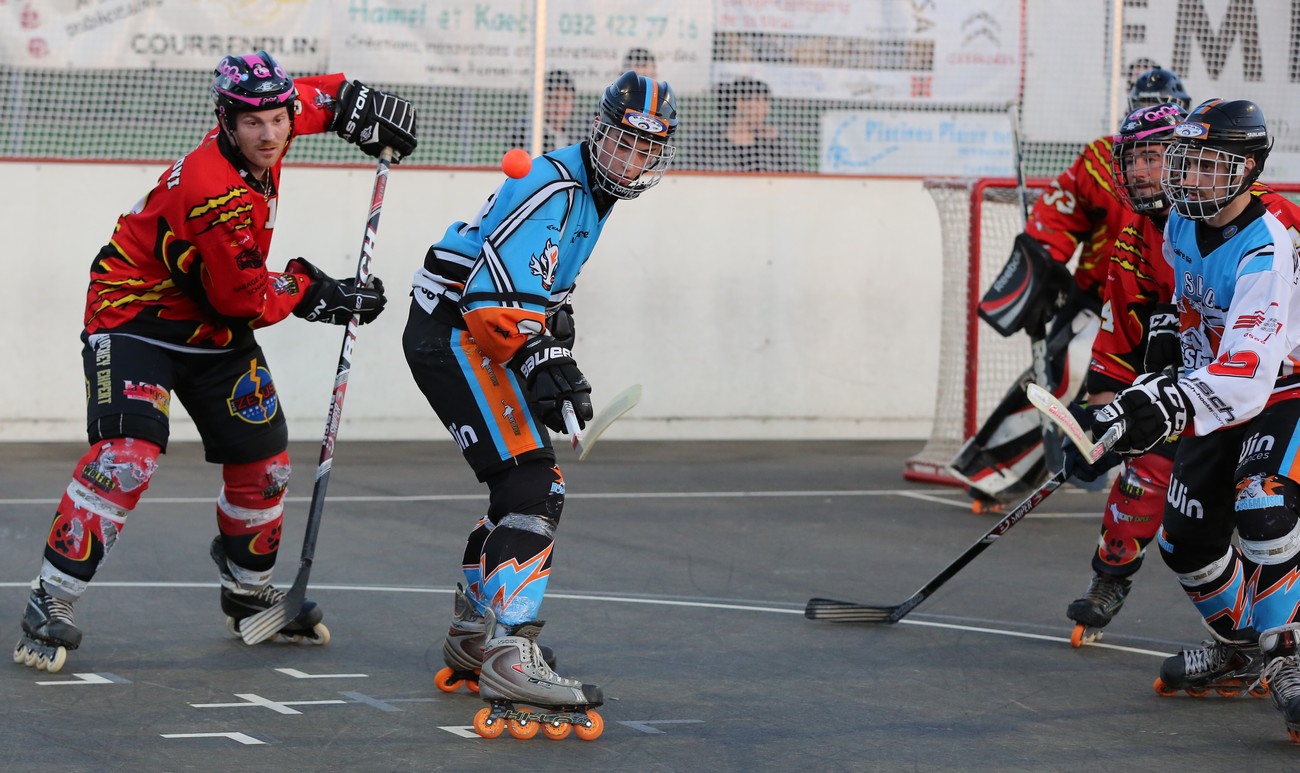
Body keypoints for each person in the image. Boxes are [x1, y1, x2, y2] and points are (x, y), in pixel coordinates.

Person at [11, 51, 418, 674]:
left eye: (278, 120)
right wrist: (315, 290)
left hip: (209, 324)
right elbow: (244, 300)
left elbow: (318, 100)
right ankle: (52, 596)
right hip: (134, 317)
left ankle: (248, 591)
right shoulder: (213, 192)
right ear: (226, 121)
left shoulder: (269, 122)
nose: (270, 134)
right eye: (253, 122)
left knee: (265, 466)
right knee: (128, 456)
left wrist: (354, 104)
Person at [403, 70, 678, 740]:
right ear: (598, 132)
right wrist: (542, 358)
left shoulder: (593, 194)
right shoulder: (555, 182)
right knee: (534, 485)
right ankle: (508, 652)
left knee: (518, 484)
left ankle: (474, 636)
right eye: (621, 142)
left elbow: (534, 285)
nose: (629, 160)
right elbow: (489, 300)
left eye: (645, 149)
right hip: (457, 331)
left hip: (468, 333)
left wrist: (549, 337)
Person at [1089, 99, 1300, 742]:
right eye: (1186, 162)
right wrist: (1142, 390)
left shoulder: (1267, 244)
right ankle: (1243, 651)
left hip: (1282, 387)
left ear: (1248, 169)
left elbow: (1248, 369)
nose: (1190, 177)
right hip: (1219, 386)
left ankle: (1288, 656)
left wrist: (1168, 403)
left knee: (1263, 504)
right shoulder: (1181, 221)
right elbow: (1190, 314)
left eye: (1210, 165)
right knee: (1184, 540)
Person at [950, 67, 1192, 508]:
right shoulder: (1105, 158)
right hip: (1100, 299)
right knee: (1067, 374)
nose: (1143, 163)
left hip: (1175, 310)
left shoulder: (1199, 169)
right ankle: (994, 468)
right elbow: (1061, 210)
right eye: (1144, 109)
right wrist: (1043, 264)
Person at [692, 76, 803, 172]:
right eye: (759, 102)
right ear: (740, 104)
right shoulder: (707, 137)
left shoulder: (778, 141)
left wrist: (777, 144)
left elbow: (798, 177)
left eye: (767, 103)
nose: (766, 110)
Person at [508, 69, 578, 154]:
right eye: (554, 98)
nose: (559, 105)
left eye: (565, 99)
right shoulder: (525, 133)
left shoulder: (576, 137)